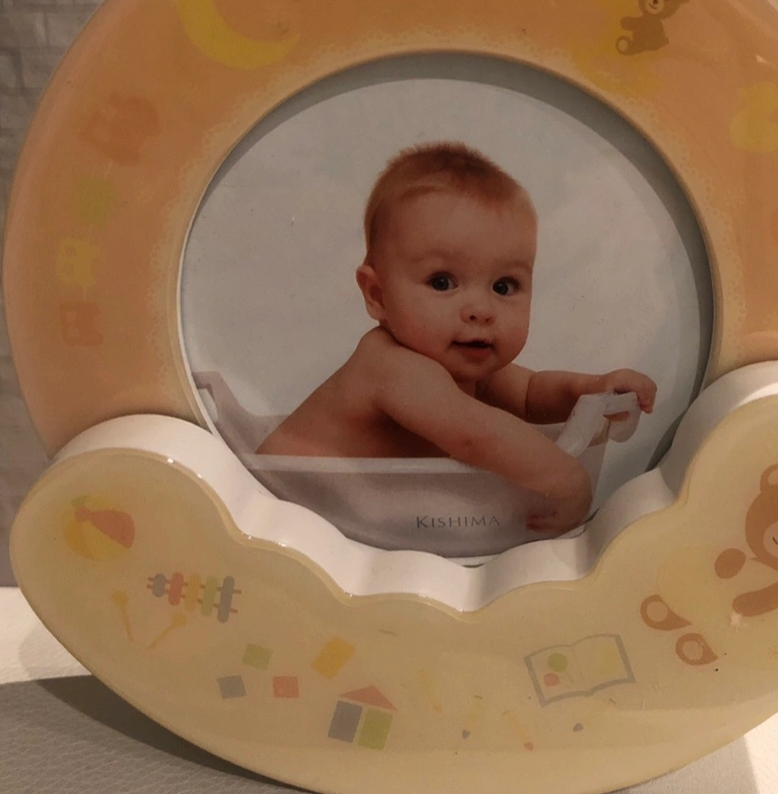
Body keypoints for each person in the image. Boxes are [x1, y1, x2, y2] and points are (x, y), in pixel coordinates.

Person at [258, 143, 656, 535]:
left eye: (503, 286)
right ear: (378, 295)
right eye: (442, 282)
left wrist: (591, 390)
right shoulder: (390, 365)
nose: (481, 309)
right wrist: (565, 478)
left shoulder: (467, 368)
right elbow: (474, 435)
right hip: (272, 508)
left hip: (336, 523)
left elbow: (531, 395)